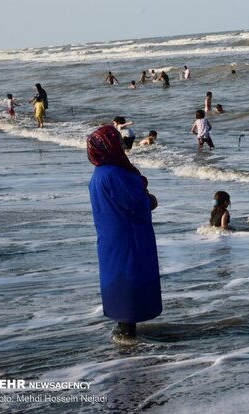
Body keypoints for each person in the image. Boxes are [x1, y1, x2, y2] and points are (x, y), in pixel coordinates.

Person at [87, 125, 162, 337]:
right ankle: (127, 339)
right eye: (117, 141)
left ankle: (123, 332)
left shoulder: (100, 173)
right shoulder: (115, 173)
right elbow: (136, 203)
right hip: (128, 238)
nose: (120, 144)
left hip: (110, 238)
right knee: (131, 283)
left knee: (119, 283)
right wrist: (151, 200)